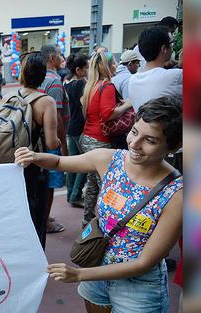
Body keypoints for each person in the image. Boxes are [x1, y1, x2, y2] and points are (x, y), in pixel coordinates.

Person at [15, 95, 183, 313]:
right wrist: (34, 157)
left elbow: (144, 264)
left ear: (173, 147)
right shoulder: (110, 159)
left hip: (138, 287)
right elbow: (60, 162)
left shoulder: (177, 194)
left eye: (150, 141)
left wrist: (79, 276)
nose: (135, 145)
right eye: (134, 132)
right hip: (97, 275)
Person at [79, 52, 132, 226]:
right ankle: (108, 224)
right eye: (114, 64)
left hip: (87, 138)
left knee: (93, 182)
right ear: (106, 66)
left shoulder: (90, 86)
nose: (116, 67)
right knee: (106, 184)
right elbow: (107, 114)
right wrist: (128, 104)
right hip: (100, 140)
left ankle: (87, 221)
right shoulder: (106, 86)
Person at [16, 51, 59, 248]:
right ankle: (37, 260)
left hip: (13, 165)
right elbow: (51, 143)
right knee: (37, 216)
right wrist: (59, 142)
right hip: (35, 167)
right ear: (42, 75)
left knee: (19, 215)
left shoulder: (9, 97)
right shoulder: (46, 101)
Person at [39, 44, 70, 234]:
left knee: (42, 183)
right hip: (51, 140)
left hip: (37, 138)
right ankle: (45, 221)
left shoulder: (39, 78)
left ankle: (44, 215)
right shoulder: (55, 82)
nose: (62, 57)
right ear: (51, 57)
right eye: (59, 54)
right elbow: (57, 118)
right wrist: (63, 144)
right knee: (50, 184)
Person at [128, 26, 183, 112]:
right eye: (171, 43)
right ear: (164, 49)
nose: (172, 48)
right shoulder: (175, 76)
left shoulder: (132, 80)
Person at [64, 53, 89, 209]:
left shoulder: (66, 82)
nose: (87, 70)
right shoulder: (79, 84)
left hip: (70, 126)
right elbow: (84, 105)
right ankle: (76, 195)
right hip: (80, 127)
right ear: (78, 70)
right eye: (86, 68)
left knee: (73, 162)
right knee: (84, 164)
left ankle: (70, 194)